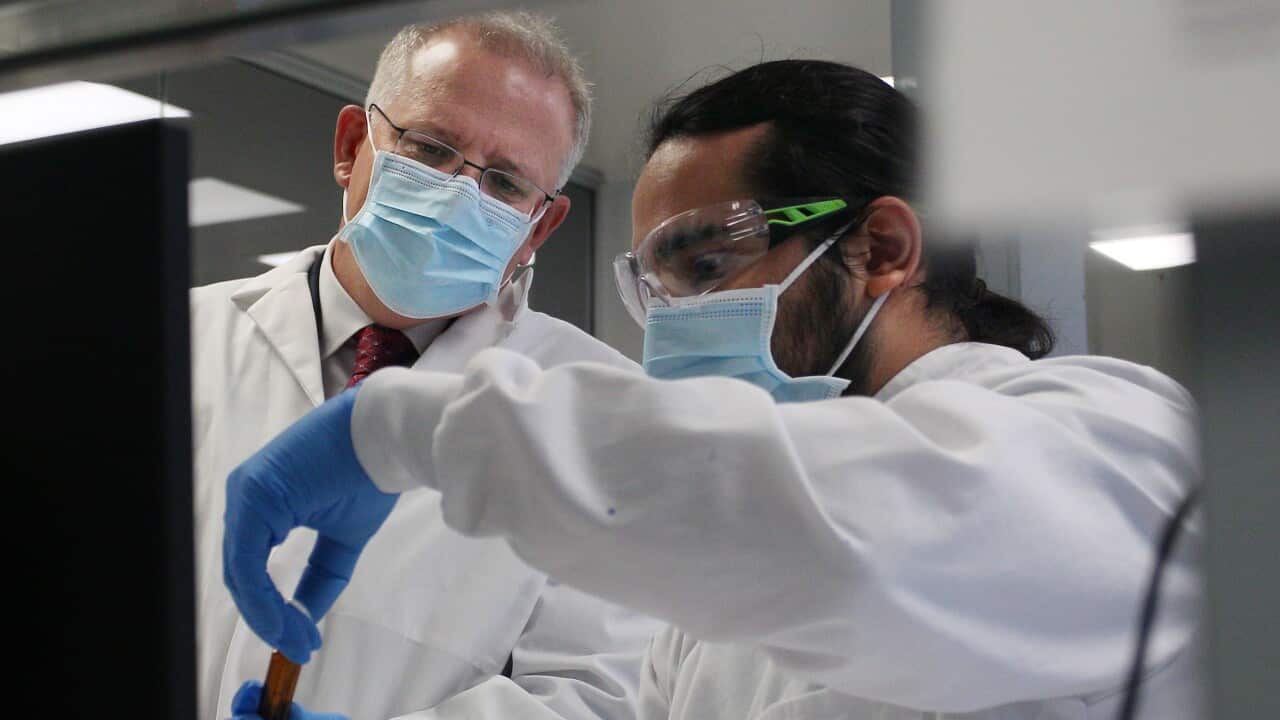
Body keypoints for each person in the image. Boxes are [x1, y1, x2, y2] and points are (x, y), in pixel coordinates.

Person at [222, 60, 1203, 719]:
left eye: (701, 264)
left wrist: (408, 430)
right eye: (649, 282)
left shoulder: (1124, 444)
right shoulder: (707, 618)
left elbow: (853, 537)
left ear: (880, 248)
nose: (670, 320)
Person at [191, 11, 659, 720]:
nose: (457, 195)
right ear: (353, 145)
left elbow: (595, 692)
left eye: (504, 184)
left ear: (539, 227)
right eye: (432, 148)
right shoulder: (177, 337)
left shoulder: (595, 405)